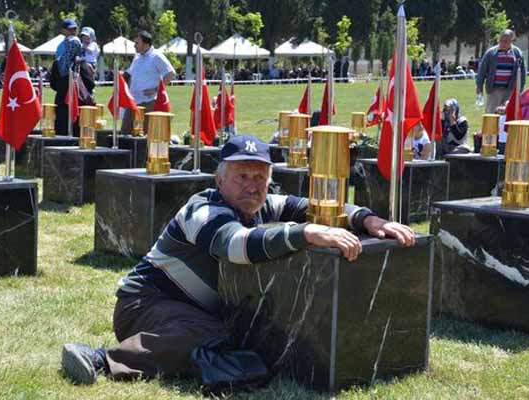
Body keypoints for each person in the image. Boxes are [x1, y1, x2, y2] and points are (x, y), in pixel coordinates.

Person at [60, 134, 415, 386]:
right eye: (242, 176)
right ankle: (102, 360)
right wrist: (304, 233)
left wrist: (370, 220)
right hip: (144, 305)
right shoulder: (203, 208)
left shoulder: (264, 204)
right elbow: (235, 245)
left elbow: (318, 208)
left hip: (195, 311)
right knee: (213, 335)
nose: (252, 185)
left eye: (260, 177)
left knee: (233, 336)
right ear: (219, 179)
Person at [121, 31, 176, 134]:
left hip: (149, 101)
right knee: (126, 129)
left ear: (146, 44)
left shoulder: (157, 56)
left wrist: (156, 90)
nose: (134, 45)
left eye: (137, 43)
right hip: (133, 100)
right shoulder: (137, 57)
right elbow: (130, 73)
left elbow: (170, 73)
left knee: (147, 132)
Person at [476, 29, 526, 113]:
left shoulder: (518, 53)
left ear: (511, 41)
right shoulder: (490, 53)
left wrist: (520, 90)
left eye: (506, 41)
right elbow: (482, 71)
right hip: (494, 90)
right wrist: (479, 86)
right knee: (491, 115)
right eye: (501, 40)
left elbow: (522, 73)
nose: (503, 43)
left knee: (508, 115)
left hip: (510, 90)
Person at [52, 18, 82, 135]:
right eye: (70, 29)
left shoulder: (61, 45)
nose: (73, 31)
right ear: (64, 30)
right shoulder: (75, 41)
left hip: (62, 84)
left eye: (74, 29)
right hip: (69, 82)